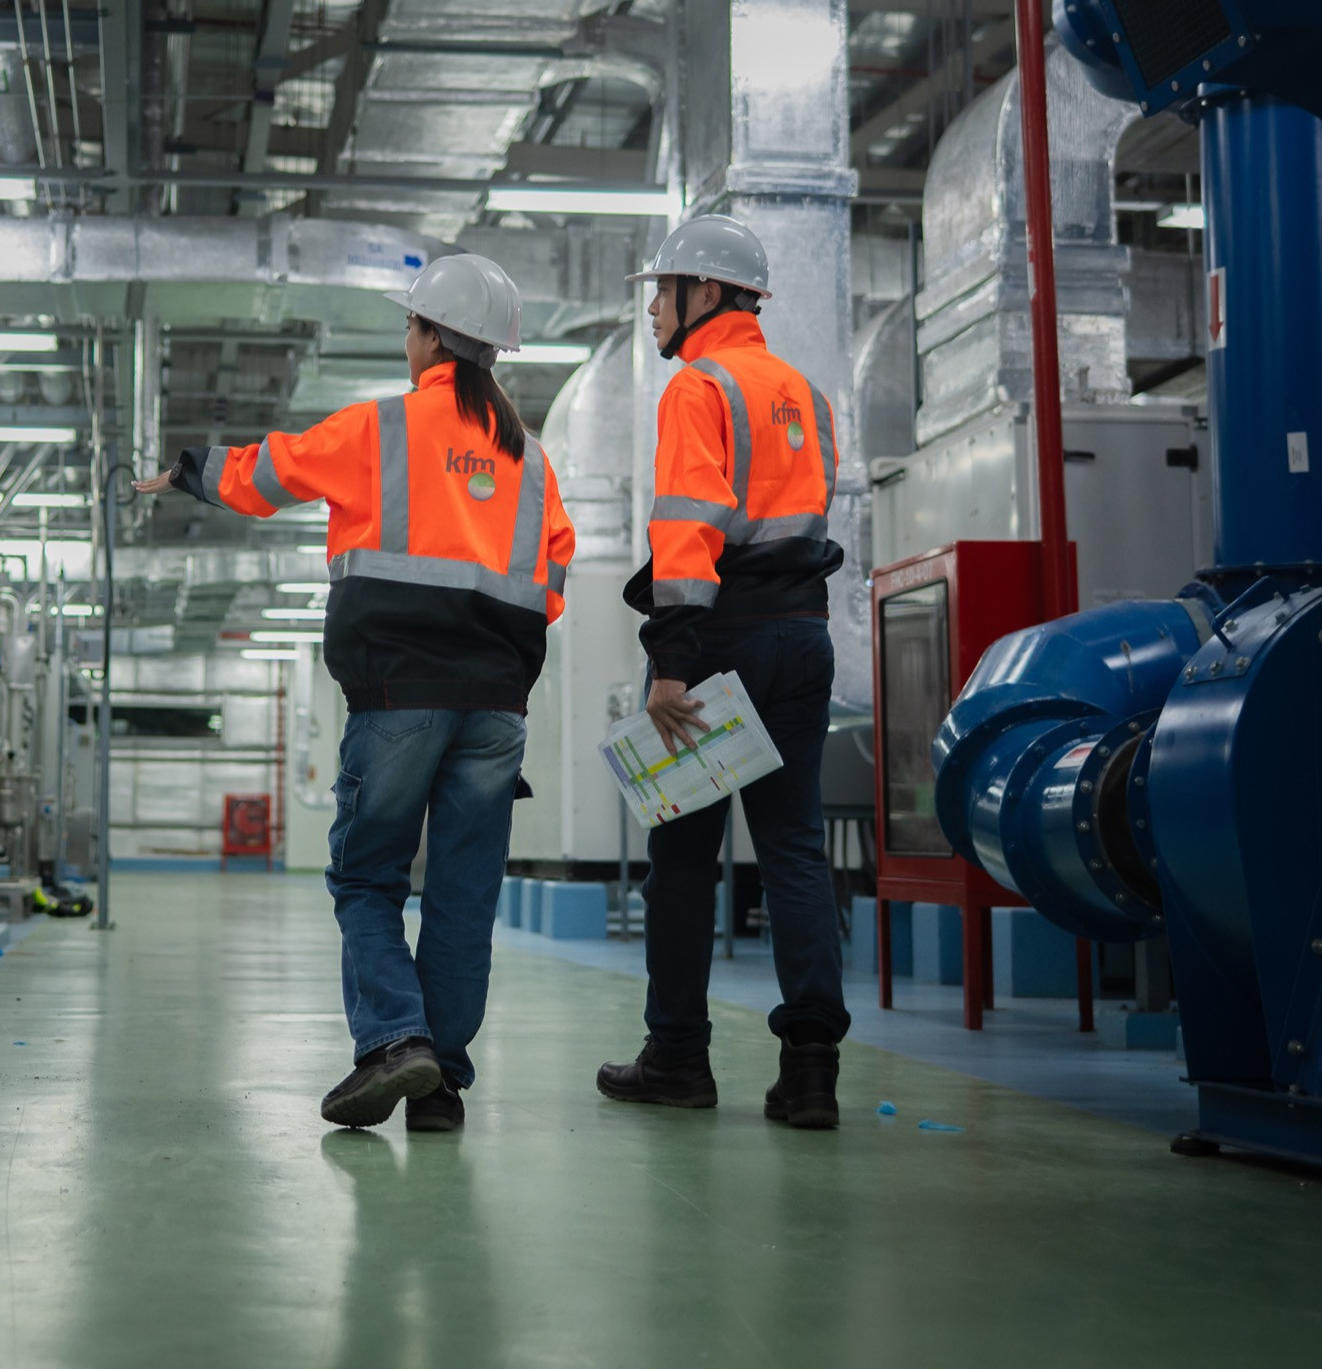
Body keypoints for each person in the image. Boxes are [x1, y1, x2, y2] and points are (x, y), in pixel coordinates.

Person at [136, 254, 576, 1132]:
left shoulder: (385, 428)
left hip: (399, 694)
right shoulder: (531, 463)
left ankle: (395, 1042)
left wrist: (189, 469)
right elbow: (554, 575)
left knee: (368, 879)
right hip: (497, 710)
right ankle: (440, 1083)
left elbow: (273, 475)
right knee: (462, 896)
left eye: (408, 325)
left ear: (428, 339)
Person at [596, 214, 850, 1130]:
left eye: (663, 293)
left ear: (705, 293)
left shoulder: (698, 388)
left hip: (719, 646)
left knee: (682, 856)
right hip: (804, 638)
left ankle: (677, 1058)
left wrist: (671, 662)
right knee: (792, 848)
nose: (655, 311)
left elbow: (687, 529)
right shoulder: (803, 395)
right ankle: (811, 1071)